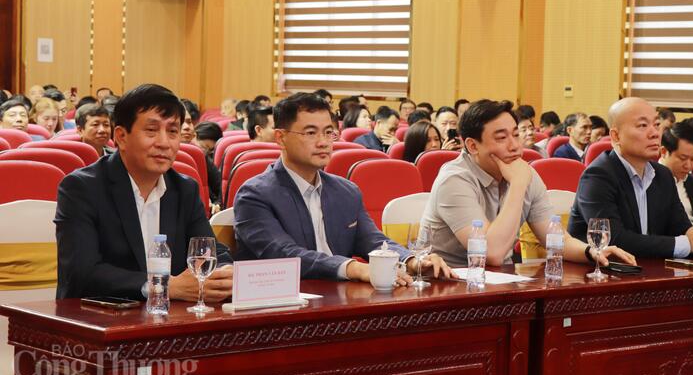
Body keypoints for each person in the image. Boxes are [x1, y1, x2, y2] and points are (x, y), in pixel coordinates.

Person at [233, 92, 452, 282]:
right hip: (285, 302)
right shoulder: (255, 195)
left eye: (329, 132)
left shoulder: (346, 191)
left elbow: (373, 241)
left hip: (341, 298)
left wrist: (412, 260)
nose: (323, 142)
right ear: (280, 138)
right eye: (310, 133)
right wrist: (352, 268)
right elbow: (284, 254)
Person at [54, 84, 233, 300]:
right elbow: (82, 273)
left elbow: (209, 249)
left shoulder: (184, 188)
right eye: (151, 130)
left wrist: (224, 271)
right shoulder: (81, 188)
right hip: (102, 312)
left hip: (170, 315)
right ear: (121, 136)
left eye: (172, 131)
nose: (164, 143)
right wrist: (162, 286)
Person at [421, 99, 635, 268]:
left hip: (500, 282)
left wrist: (592, 252)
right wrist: (517, 185)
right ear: (473, 146)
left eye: (516, 135)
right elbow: (490, 253)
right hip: (446, 284)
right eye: (501, 138)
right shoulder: (454, 179)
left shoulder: (523, 173)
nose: (515, 146)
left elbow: (555, 239)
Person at [568, 97, 693, 258]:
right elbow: (613, 240)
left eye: (656, 125)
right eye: (642, 125)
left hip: (652, 268)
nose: (655, 133)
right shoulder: (598, 176)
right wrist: (688, 243)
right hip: (602, 270)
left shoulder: (663, 175)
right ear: (616, 136)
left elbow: (681, 229)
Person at [193, 121, 223, 204]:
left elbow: (219, 186)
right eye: (204, 147)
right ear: (194, 136)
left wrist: (217, 204)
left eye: (210, 150)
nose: (205, 152)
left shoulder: (205, 158)